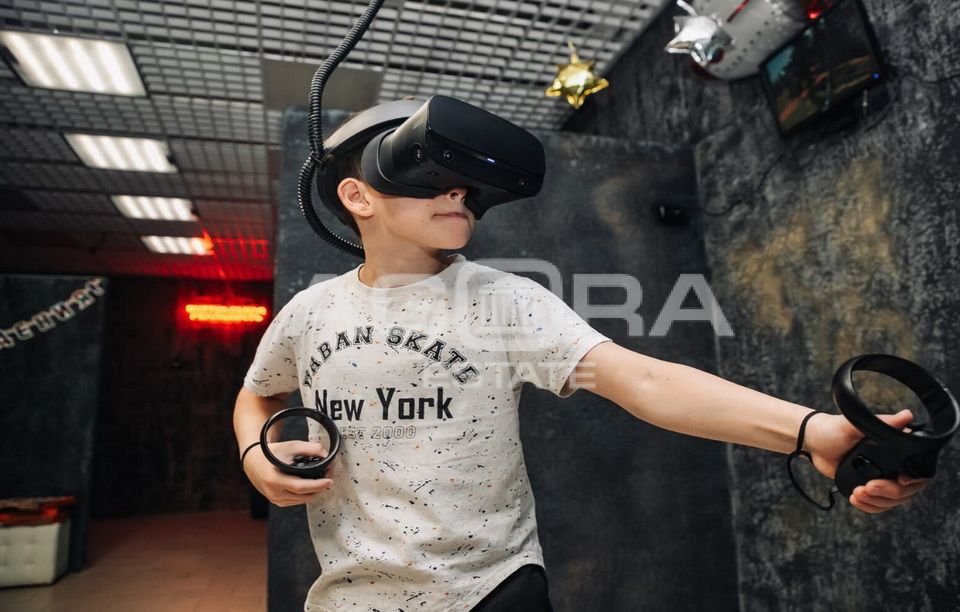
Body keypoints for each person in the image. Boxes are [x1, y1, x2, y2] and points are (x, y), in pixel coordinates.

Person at [233, 118, 929, 611]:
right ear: (358, 196)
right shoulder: (309, 313)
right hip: (345, 597)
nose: (458, 193)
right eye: (429, 176)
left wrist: (812, 431)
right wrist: (253, 455)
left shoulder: (504, 302)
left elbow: (642, 381)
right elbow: (257, 395)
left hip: (488, 593)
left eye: (465, 185)